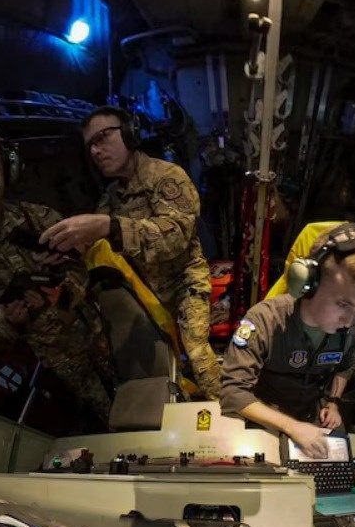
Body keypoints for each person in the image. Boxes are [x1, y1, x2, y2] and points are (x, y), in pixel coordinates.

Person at [0, 115, 113, 422]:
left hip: (101, 338)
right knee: (107, 429)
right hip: (59, 372)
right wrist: (6, 320)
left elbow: (85, 265)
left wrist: (66, 287)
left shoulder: (41, 217)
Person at [38, 106, 221, 400]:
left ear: (129, 133)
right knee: (153, 364)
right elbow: (100, 249)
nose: (96, 151)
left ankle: (231, 414)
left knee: (197, 352)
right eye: (90, 146)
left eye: (103, 138)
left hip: (184, 283)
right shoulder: (110, 198)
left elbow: (175, 236)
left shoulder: (166, 177)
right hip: (146, 293)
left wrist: (109, 226)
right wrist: (69, 253)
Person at [220, 223, 355, 458]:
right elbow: (233, 394)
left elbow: (346, 364)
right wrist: (292, 427)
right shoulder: (265, 321)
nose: (350, 321)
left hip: (311, 420)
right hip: (265, 420)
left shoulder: (354, 321)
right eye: (343, 304)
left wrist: (333, 402)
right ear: (307, 286)